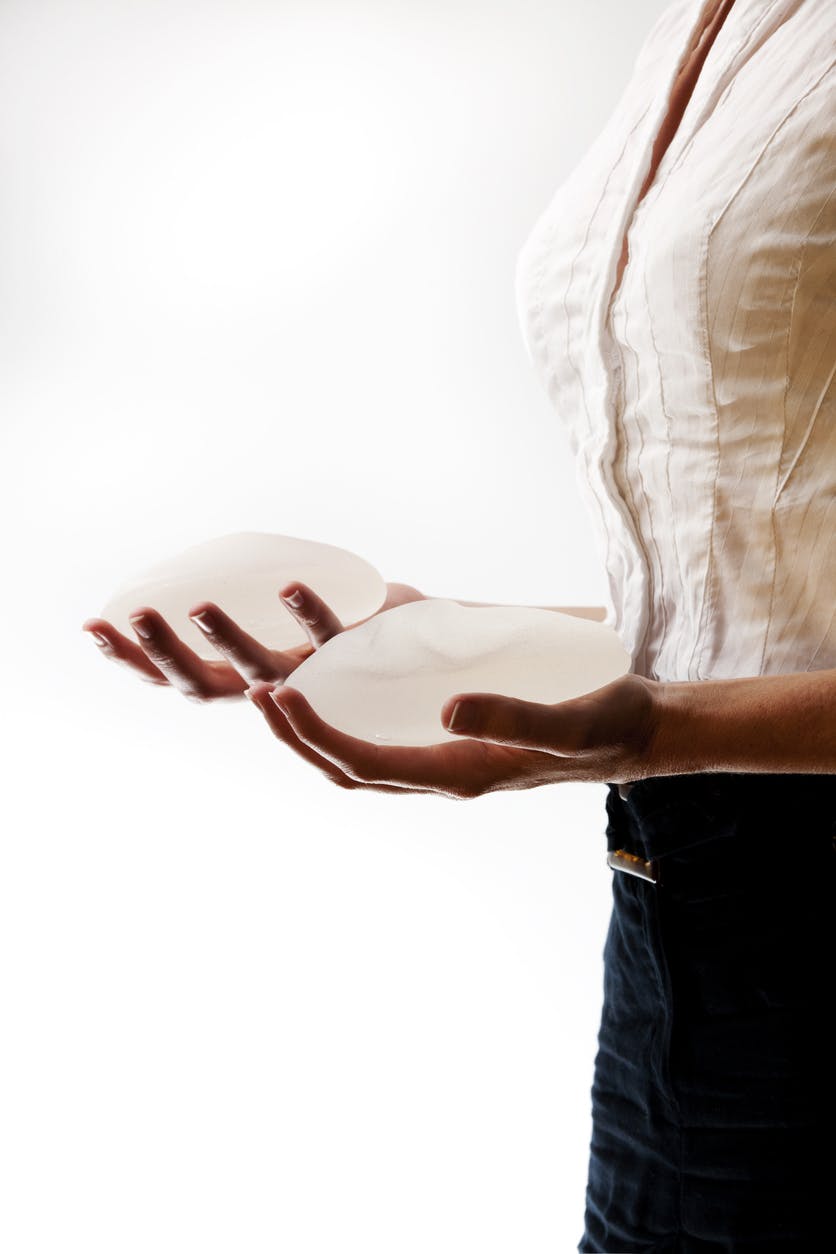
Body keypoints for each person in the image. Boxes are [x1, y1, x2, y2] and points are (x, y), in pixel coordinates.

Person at [83, 0, 836, 1246]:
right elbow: (770, 579)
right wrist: (447, 636)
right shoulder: (703, 25)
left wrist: (661, 727)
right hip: (682, 902)